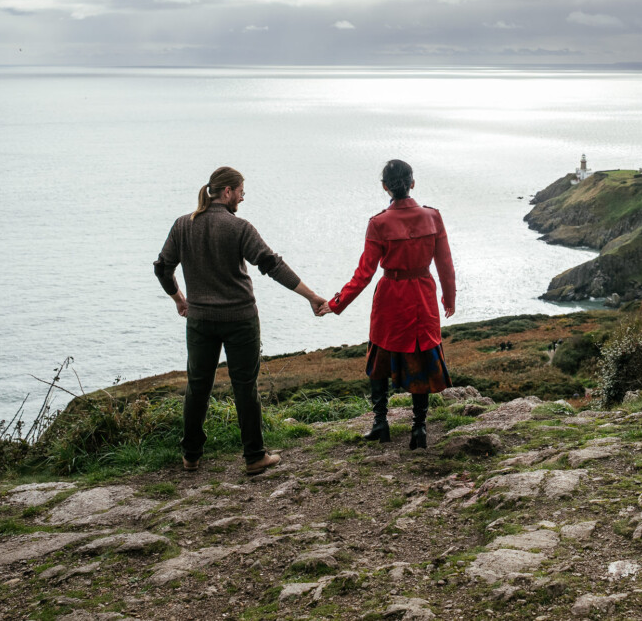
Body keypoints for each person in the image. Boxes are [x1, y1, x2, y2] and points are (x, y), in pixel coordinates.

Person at [154, 166, 326, 476]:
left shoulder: (182, 226)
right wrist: (310, 296)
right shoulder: (239, 227)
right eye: (241, 192)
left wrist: (180, 300)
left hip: (200, 320)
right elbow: (272, 265)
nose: (242, 198)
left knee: (198, 387)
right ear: (227, 192)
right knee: (245, 387)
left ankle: (191, 456)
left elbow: (162, 268)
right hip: (241, 319)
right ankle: (254, 456)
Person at [316, 159, 455, 449]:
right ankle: (419, 429)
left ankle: (380, 423)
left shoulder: (378, 223)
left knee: (379, 360)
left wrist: (336, 303)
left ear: (385, 187)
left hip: (391, 298)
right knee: (420, 359)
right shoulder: (433, 216)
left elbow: (364, 274)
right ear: (412, 183)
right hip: (424, 297)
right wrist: (449, 298)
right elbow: (445, 264)